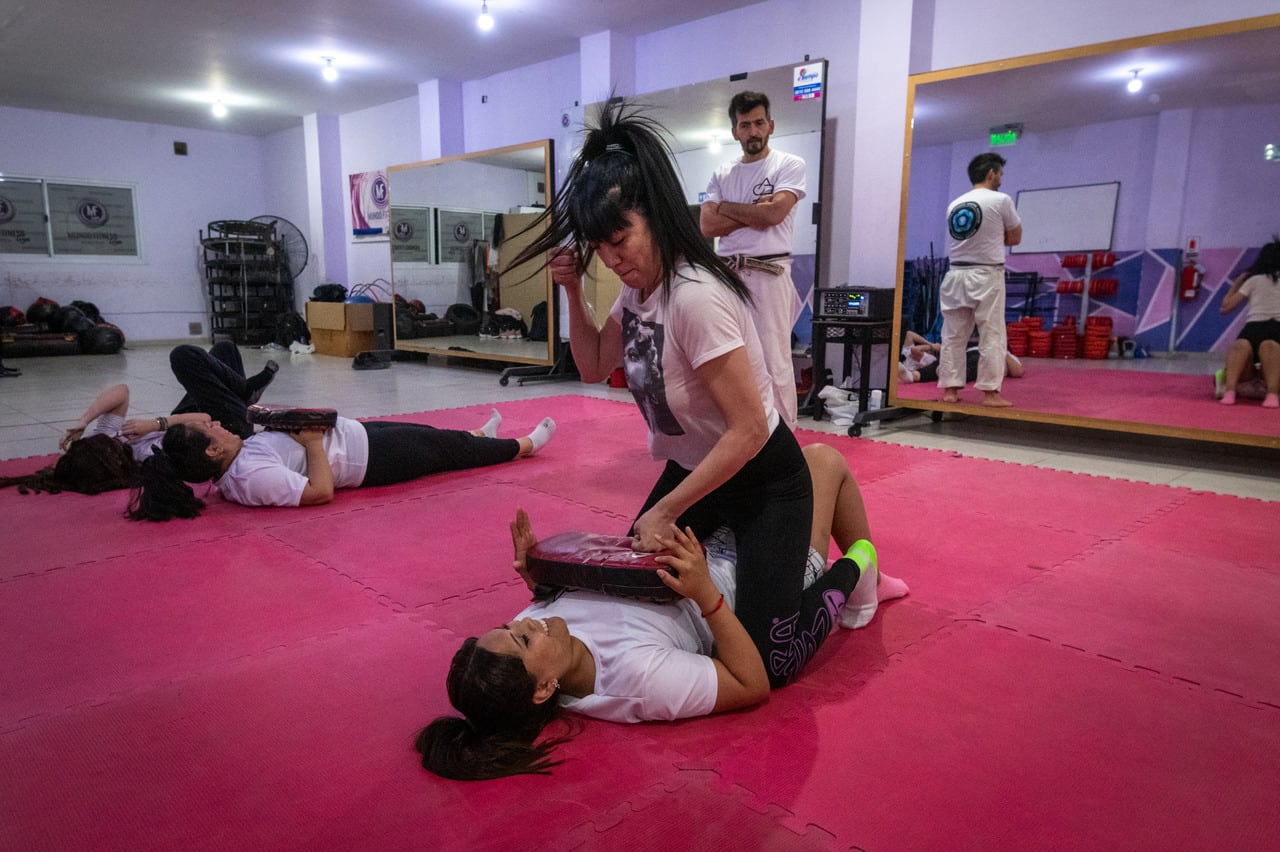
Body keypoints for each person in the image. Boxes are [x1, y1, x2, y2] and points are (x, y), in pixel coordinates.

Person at [509, 98, 845, 692]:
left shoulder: (693, 297)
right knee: (635, 580)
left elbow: (747, 431)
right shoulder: (636, 292)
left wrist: (665, 509)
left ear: (656, 217)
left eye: (622, 239)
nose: (614, 259)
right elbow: (591, 366)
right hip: (700, 469)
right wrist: (569, 293)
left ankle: (854, 569)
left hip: (766, 478)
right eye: (602, 249)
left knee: (770, 663)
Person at [417, 443, 910, 780]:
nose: (525, 620)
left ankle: (870, 577)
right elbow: (750, 683)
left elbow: (552, 604)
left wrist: (539, 577)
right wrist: (703, 594)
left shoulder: (548, 634)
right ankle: (868, 581)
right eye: (523, 638)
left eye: (509, 624)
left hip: (692, 550)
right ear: (545, 688)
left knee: (717, 448)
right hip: (753, 581)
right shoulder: (633, 681)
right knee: (823, 461)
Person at [126, 406, 556, 520]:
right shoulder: (251, 479)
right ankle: (523, 445)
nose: (216, 424)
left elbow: (198, 423)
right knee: (448, 456)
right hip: (368, 461)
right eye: (213, 431)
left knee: (434, 437)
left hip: (355, 436)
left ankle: (480, 435)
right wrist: (312, 442)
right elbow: (320, 492)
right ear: (212, 452)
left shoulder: (235, 459)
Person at [0, 342, 277, 495]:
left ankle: (244, 393)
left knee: (223, 351)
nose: (112, 440)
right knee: (184, 355)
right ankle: (244, 394)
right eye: (106, 445)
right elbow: (205, 418)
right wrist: (157, 425)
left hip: (189, 422)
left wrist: (85, 420)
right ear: (108, 462)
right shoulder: (148, 458)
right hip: (223, 429)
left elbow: (121, 392)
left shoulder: (114, 441)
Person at [700, 90, 806, 429]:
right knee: (728, 357)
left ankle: (785, 437)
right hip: (726, 275)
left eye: (759, 123)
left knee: (774, 359)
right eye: (745, 125)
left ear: (771, 125)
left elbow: (774, 214)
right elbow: (707, 225)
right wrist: (753, 212)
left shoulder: (788, 165)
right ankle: (739, 432)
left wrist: (728, 208)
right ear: (735, 132)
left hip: (768, 272)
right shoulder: (723, 173)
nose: (753, 131)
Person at [938, 153, 1022, 407]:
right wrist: (997, 238)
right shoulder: (1000, 200)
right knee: (992, 333)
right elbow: (1015, 238)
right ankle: (990, 393)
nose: (1001, 179)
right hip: (986, 274)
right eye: (1000, 174)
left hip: (955, 273)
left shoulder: (955, 204)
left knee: (953, 335)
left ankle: (950, 392)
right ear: (991, 174)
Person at [1218, 236, 1280, 408]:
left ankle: (1230, 391)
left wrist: (1237, 283)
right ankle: (1272, 394)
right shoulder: (1256, 281)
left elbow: (1225, 307)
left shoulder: (1254, 280)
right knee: (1270, 346)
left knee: (1241, 346)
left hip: (1253, 328)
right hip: (1276, 328)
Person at [896, 329, 1024, 386]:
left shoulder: (1006, 354)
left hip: (983, 360)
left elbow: (1017, 371)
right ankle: (912, 376)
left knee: (970, 367)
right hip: (967, 355)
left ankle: (947, 372)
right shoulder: (974, 345)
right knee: (945, 362)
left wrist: (1001, 348)